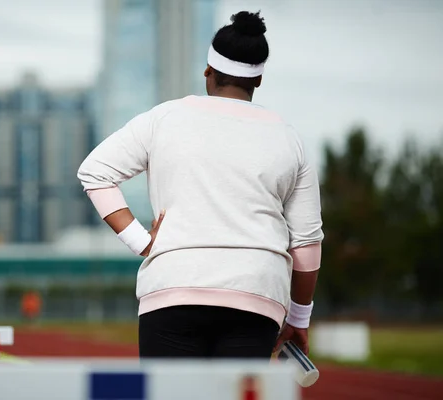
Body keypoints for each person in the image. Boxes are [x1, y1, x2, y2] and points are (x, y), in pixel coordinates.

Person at [77, 11, 323, 359]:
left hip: (173, 288)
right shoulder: (289, 139)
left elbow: (95, 172)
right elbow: (307, 244)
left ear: (208, 71)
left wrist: (141, 242)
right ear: (259, 79)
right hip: (256, 296)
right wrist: (299, 317)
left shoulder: (163, 119)